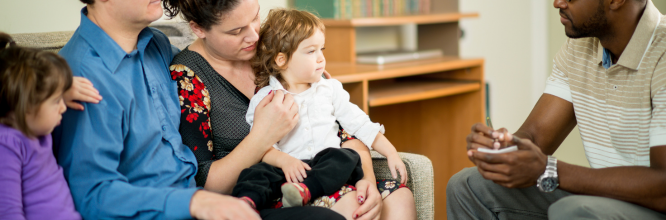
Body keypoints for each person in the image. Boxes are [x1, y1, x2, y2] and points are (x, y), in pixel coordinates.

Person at [54, 0, 344, 219]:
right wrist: (195, 201)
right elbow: (91, 195)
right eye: (235, 30)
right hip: (175, 208)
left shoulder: (155, 44)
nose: (252, 36)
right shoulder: (79, 77)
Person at [163, 0, 417, 219]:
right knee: (349, 208)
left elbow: (339, 125)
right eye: (237, 31)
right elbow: (202, 182)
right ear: (198, 29)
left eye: (255, 18)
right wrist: (263, 136)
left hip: (323, 170)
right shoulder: (187, 77)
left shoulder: (278, 51)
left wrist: (366, 180)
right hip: (264, 189)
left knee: (400, 197)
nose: (253, 36)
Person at [448, 0, 666, 219]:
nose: (557, 3)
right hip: (604, 198)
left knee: (573, 212)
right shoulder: (581, 46)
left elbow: (663, 185)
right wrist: (504, 148)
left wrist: (550, 170)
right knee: (468, 186)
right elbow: (535, 136)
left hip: (655, 205)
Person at [230, 8, 408, 210]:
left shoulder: (330, 89)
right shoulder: (265, 99)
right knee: (255, 173)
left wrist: (391, 152)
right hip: (285, 170)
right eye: (311, 51)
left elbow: (360, 124)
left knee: (346, 157)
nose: (321, 58)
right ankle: (247, 202)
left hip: (326, 167)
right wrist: (285, 161)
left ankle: (305, 191)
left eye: (321, 49)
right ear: (282, 60)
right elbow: (262, 145)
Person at [0, 33, 81, 220]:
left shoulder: (39, 129)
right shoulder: (7, 144)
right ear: (26, 106)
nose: (63, 107)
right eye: (56, 101)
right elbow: (8, 212)